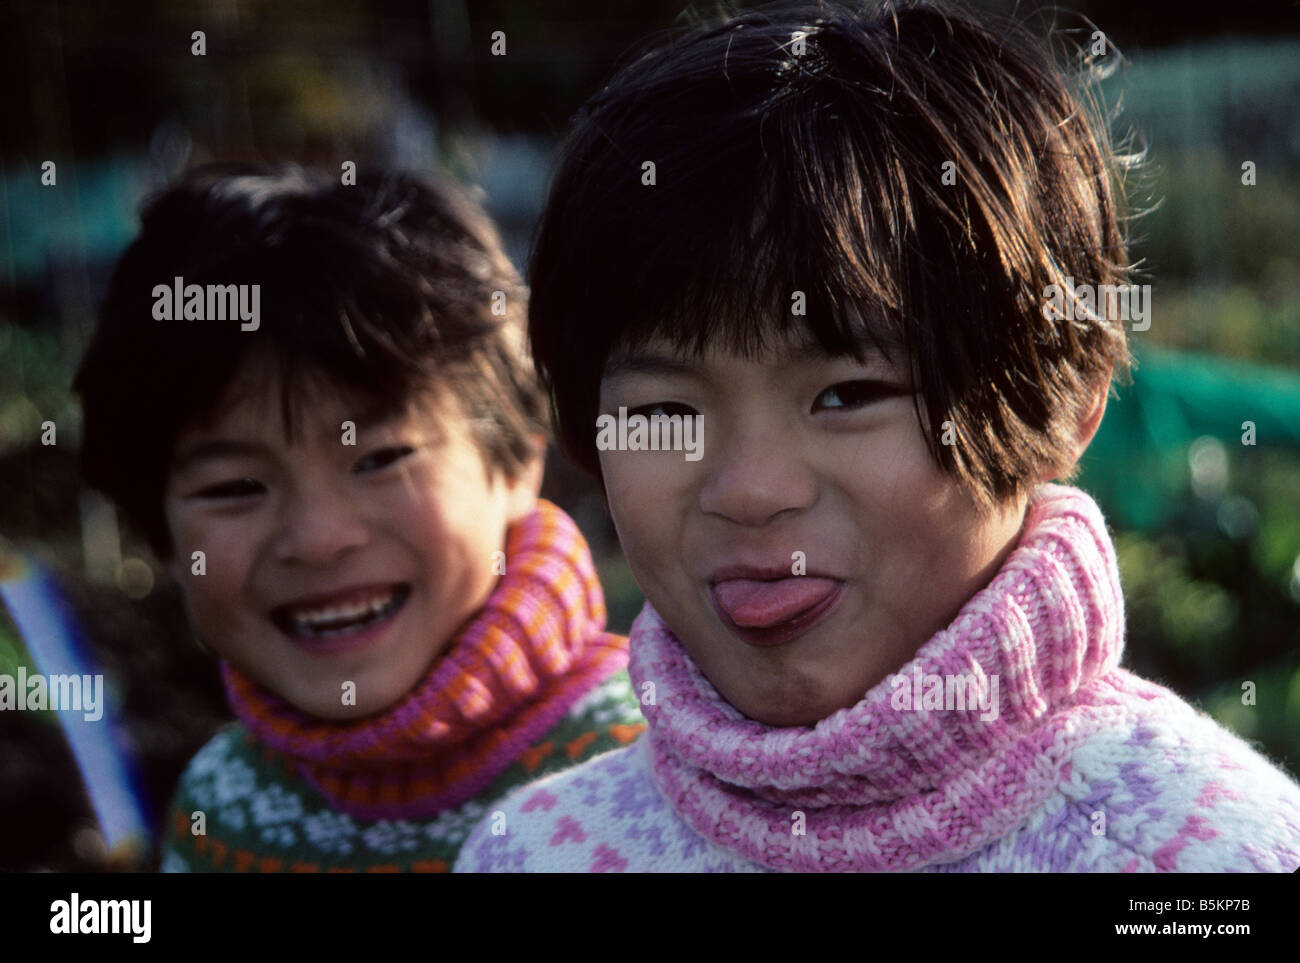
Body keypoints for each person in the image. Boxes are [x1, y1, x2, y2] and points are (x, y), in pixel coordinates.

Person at [455, 0, 1300, 871]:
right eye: (668, 413)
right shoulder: (534, 853)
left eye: (846, 394)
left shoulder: (1209, 859)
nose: (748, 489)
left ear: (1068, 398)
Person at [73, 162, 645, 871]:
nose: (319, 538)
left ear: (518, 458)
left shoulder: (656, 765)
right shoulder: (221, 808)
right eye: (234, 486)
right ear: (158, 533)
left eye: (379, 459)